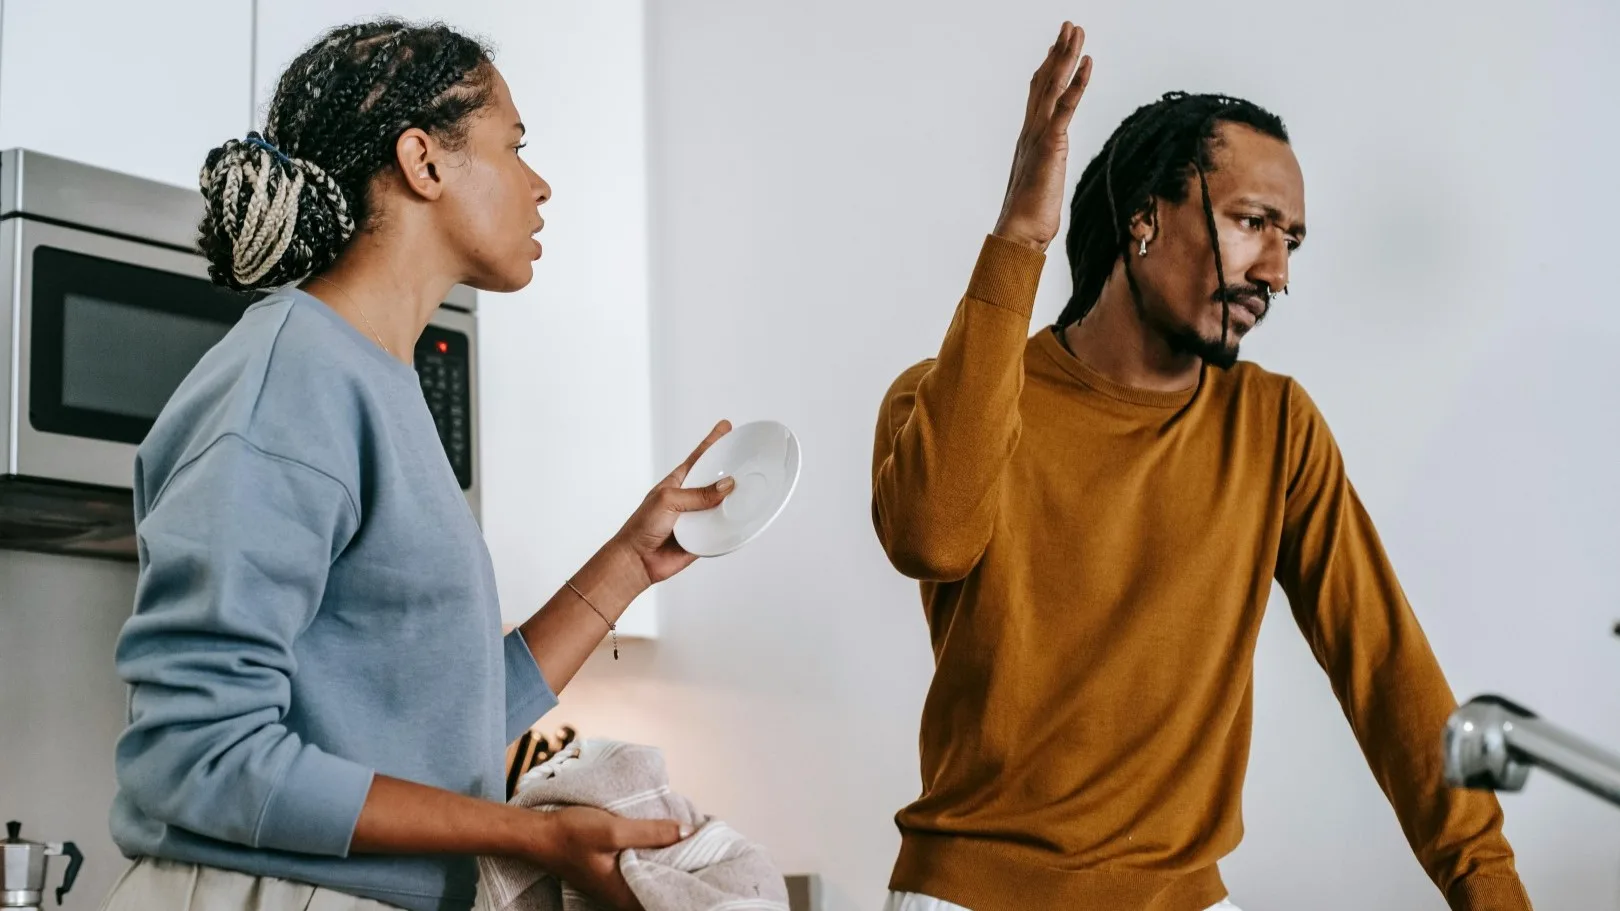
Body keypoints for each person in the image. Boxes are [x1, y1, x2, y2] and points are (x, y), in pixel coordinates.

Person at [870, 22, 1532, 911]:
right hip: (969, 896)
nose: (1277, 271)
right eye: (1252, 223)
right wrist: (1021, 235)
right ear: (1144, 217)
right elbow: (933, 537)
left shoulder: (1274, 428)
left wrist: (1490, 887)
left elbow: (1388, 674)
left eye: (1292, 239)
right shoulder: (951, 397)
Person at [101, 19, 731, 911]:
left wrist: (631, 558)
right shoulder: (296, 377)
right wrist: (531, 833)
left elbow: (451, 724)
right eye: (515, 147)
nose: (541, 184)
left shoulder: (378, 381)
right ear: (424, 162)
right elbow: (197, 753)